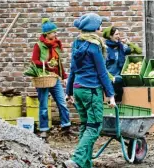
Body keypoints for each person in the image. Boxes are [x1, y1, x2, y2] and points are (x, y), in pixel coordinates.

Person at [64, 13, 116, 168]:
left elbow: (72, 70)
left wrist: (69, 92)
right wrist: (111, 95)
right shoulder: (94, 47)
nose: (102, 26)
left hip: (78, 89)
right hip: (91, 90)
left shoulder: (76, 43)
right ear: (95, 27)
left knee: (86, 126)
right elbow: (102, 73)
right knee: (94, 127)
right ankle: (77, 160)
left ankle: (85, 164)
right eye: (100, 24)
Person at [31, 18, 72, 139]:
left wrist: (64, 77)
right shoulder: (39, 46)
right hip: (43, 79)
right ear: (47, 34)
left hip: (54, 79)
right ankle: (44, 129)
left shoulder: (55, 45)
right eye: (53, 32)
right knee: (43, 105)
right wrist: (45, 64)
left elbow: (58, 63)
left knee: (62, 102)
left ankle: (66, 127)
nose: (55, 34)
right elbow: (34, 61)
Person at [102, 26, 132, 102]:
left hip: (120, 77)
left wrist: (129, 43)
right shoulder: (105, 49)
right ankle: (114, 102)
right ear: (110, 36)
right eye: (116, 34)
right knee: (117, 81)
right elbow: (102, 68)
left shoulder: (121, 47)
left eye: (119, 34)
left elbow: (138, 51)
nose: (118, 36)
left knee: (120, 81)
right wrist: (112, 78)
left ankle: (116, 103)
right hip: (110, 78)